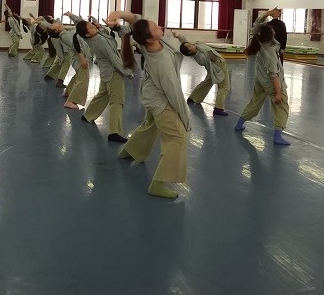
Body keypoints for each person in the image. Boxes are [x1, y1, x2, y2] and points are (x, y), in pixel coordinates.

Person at [109, 11, 190, 199]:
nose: (159, 27)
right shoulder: (162, 63)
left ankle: (129, 151)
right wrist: (185, 119)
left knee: (150, 125)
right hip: (161, 100)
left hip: (150, 94)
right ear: (149, 38)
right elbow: (174, 93)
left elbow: (135, 22)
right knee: (177, 138)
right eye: (155, 28)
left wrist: (119, 13)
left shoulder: (147, 43)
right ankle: (158, 184)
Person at [235, 12, 291, 146]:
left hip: (260, 79)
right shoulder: (270, 51)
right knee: (281, 106)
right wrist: (278, 93)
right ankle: (277, 136)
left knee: (255, 102)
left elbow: (257, 23)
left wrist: (269, 13)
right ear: (271, 35)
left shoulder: (258, 40)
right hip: (270, 82)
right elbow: (274, 75)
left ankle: (239, 124)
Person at [74, 17, 134, 142]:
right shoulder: (99, 41)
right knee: (117, 101)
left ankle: (88, 115)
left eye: (92, 24)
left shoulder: (94, 38)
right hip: (113, 73)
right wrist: (128, 72)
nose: (94, 26)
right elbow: (114, 58)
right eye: (91, 27)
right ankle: (114, 132)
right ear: (87, 34)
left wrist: (99, 27)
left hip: (105, 72)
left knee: (103, 94)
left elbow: (108, 38)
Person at [173, 32, 231, 116]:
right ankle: (218, 108)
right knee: (224, 87)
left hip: (215, 65)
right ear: (190, 52)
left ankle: (193, 98)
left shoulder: (196, 48)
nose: (191, 44)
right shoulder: (200, 57)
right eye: (189, 46)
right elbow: (210, 65)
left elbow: (184, 41)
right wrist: (218, 71)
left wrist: (178, 36)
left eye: (190, 44)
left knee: (207, 82)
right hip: (217, 66)